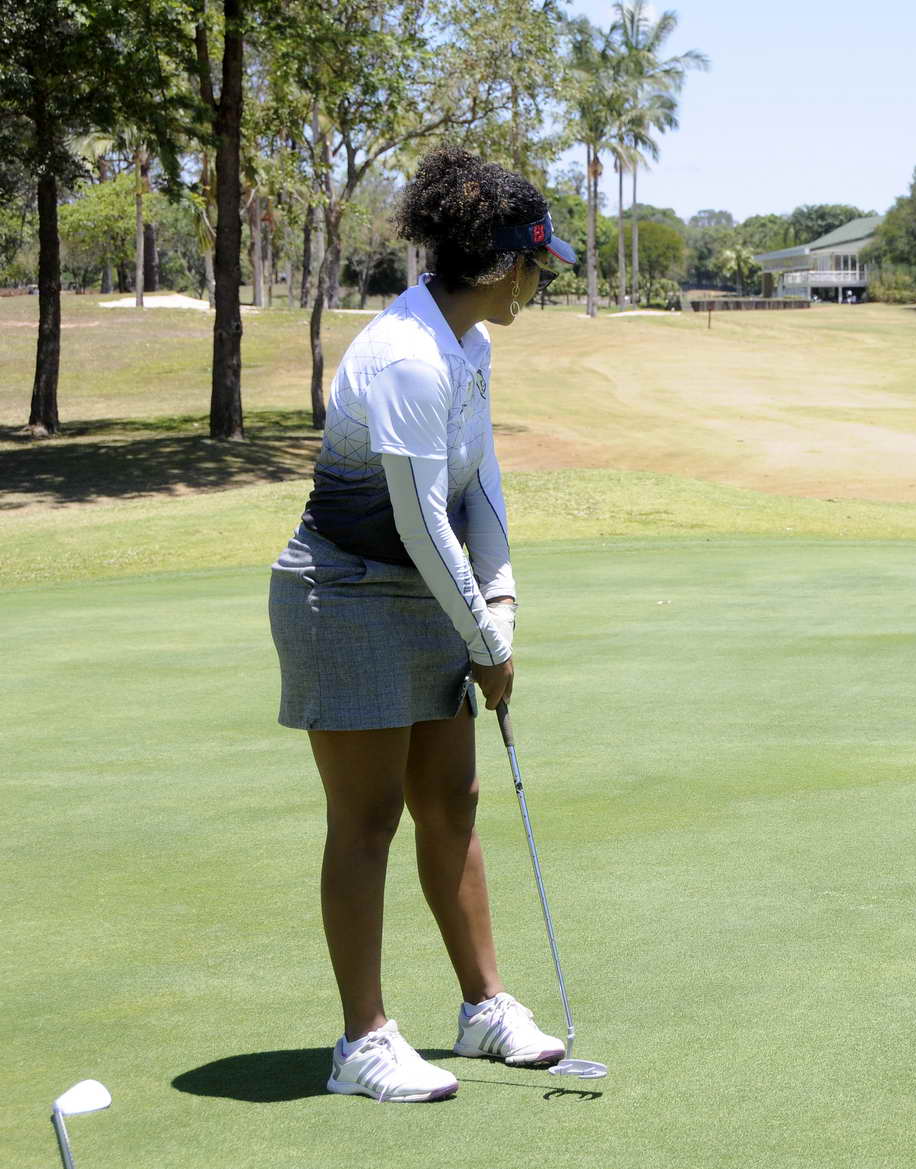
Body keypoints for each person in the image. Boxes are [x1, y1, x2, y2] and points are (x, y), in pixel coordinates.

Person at [268, 146, 578, 1103]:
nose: (542, 283)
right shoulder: (406, 357)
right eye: (538, 266)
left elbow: (478, 482)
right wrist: (483, 642)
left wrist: (503, 604)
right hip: (345, 592)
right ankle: (362, 1042)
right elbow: (418, 518)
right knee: (368, 818)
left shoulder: (468, 343)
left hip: (428, 589)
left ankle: (484, 1006)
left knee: (452, 800)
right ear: (503, 263)